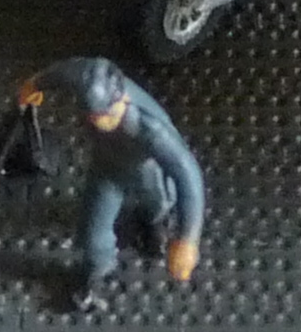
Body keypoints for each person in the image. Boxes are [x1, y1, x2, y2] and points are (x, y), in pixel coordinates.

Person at [17, 56, 205, 311]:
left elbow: (188, 176)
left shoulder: (151, 131)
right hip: (107, 170)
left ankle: (155, 226)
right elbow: (67, 73)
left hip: (149, 174)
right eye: (93, 115)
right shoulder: (89, 81)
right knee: (92, 231)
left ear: (121, 100)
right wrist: (35, 84)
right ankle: (95, 276)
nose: (98, 122)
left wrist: (187, 240)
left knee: (158, 205)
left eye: (104, 114)